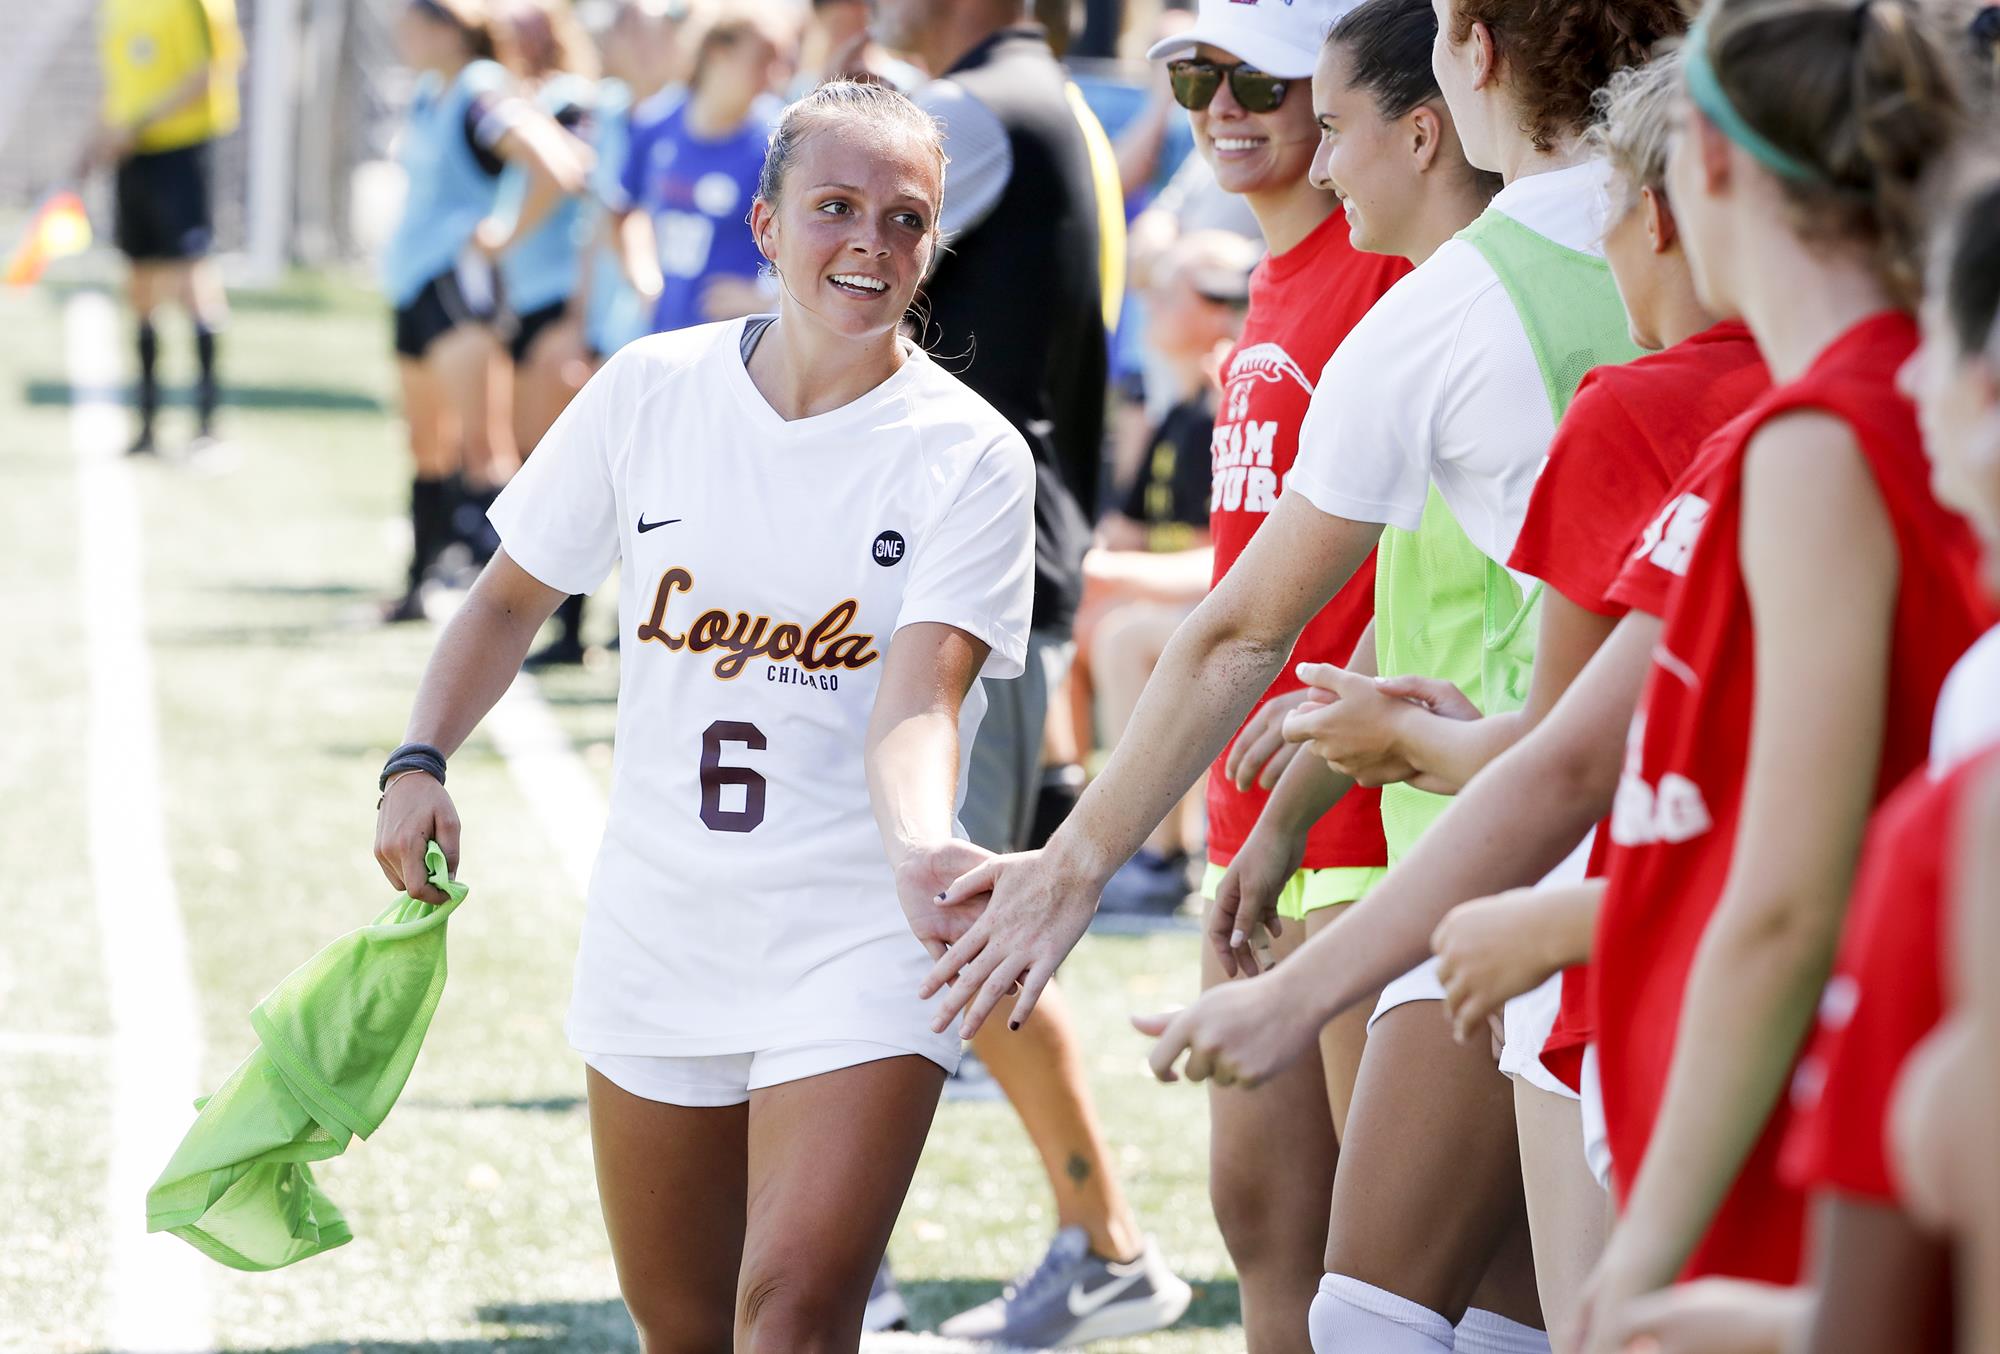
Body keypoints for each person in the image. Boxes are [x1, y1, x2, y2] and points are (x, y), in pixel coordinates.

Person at [935, 1, 1680, 1349]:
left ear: (1467, 62)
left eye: (1322, 120)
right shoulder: (1692, 234)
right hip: (1643, 832)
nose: (1321, 165)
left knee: (1415, 1312)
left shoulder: (1446, 304)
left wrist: (1072, 861)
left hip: (1523, 854)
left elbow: (1245, 627)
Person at [373, 80, 1036, 1350]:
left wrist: (919, 851)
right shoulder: (647, 390)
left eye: (907, 220)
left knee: (790, 1312)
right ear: (765, 226)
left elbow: (918, 697)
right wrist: (418, 758)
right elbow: (510, 600)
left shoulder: (969, 455)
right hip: (659, 922)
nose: (871, 243)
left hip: (857, 933)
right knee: (682, 1327)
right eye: (835, 207)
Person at [1210, 49, 1770, 1336]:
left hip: (1561, 904)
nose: (1323, 156)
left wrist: (1403, 760)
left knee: (1474, 1310)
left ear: (1665, 216)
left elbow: (1579, 757)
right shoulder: (1782, 411)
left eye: (1337, 123)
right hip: (1582, 898)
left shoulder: (1645, 406)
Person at [1562, 3, 1986, 1348]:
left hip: (1788, 1138)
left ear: (1717, 164)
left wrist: (1645, 1244)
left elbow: (1787, 897)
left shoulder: (1825, 434)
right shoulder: (1871, 402)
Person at [867, 0, 1187, 1344]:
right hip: (1003, 561)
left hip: (968, 576)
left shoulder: (973, 113)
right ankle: (1098, 1242)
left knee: (934, 923)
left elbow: (830, 284)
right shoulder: (1038, 99)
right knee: (954, 925)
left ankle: (1086, 1242)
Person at [378, 0, 588, 623]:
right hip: (413, 287)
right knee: (426, 443)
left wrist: (503, 232)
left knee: (484, 449)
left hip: (456, 286)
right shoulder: (429, 92)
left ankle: (521, 601)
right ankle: (418, 585)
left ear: (449, 31)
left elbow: (559, 166)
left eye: (415, 22)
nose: (402, 33)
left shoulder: (480, 91)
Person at [1075, 229, 1254, 905]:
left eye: (1165, 293)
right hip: (1186, 604)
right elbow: (1124, 532)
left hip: (1240, 614)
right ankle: (1053, 800)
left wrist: (1111, 573)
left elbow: (1238, 562)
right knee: (1070, 619)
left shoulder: (1238, 400)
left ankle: (1157, 853)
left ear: (1216, 306)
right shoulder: (1180, 408)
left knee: (1123, 634)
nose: (1146, 309)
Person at [84, 0, 244, 458]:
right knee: (139, 288)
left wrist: (137, 126)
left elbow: (209, 72)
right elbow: (118, 84)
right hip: (133, 157)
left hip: (180, 154)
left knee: (192, 284)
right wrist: (97, 137)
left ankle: (208, 425)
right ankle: (148, 426)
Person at [616, 6, 788, 337]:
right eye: (763, 60)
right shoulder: (655, 122)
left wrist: (766, 294)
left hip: (734, 340)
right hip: (659, 329)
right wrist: (642, 273)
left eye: (781, 63)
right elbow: (624, 210)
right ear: (718, 53)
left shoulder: (776, 142)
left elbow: (806, 232)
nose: (775, 76)